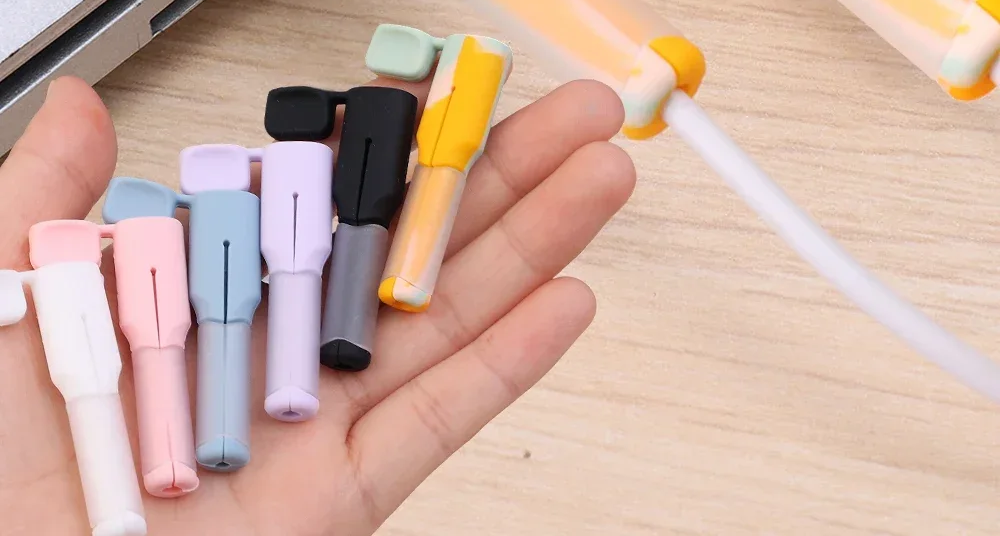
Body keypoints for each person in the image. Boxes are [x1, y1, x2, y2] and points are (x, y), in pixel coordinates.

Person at [0, 75, 635, 535]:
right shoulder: (196, 225)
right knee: (178, 332)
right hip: (154, 321)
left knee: (240, 301)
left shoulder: (242, 200)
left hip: (211, 291)